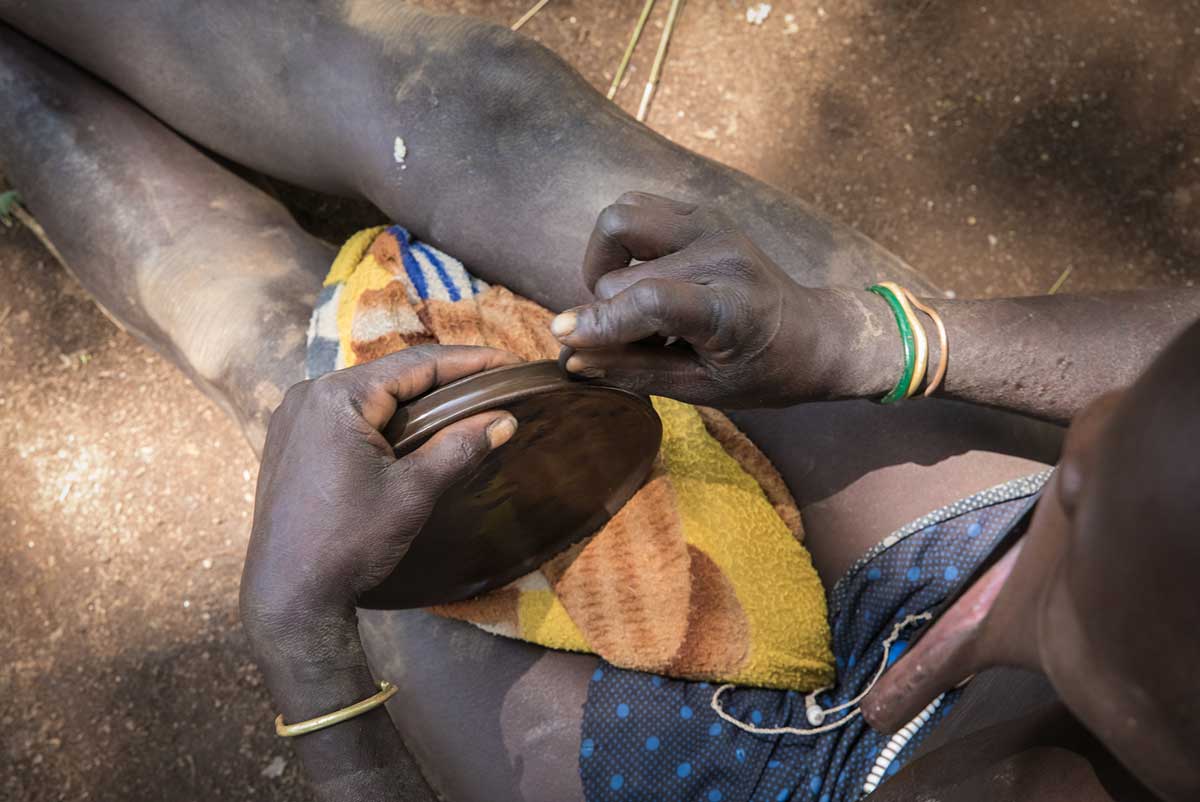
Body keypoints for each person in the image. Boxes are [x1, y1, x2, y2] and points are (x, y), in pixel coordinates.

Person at [0, 4, 1195, 800]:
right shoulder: (1107, 565)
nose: (1093, 428)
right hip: (1011, 559)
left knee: (299, 367)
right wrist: (865, 335)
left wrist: (305, 643)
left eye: (1092, 501)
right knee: (475, 114)